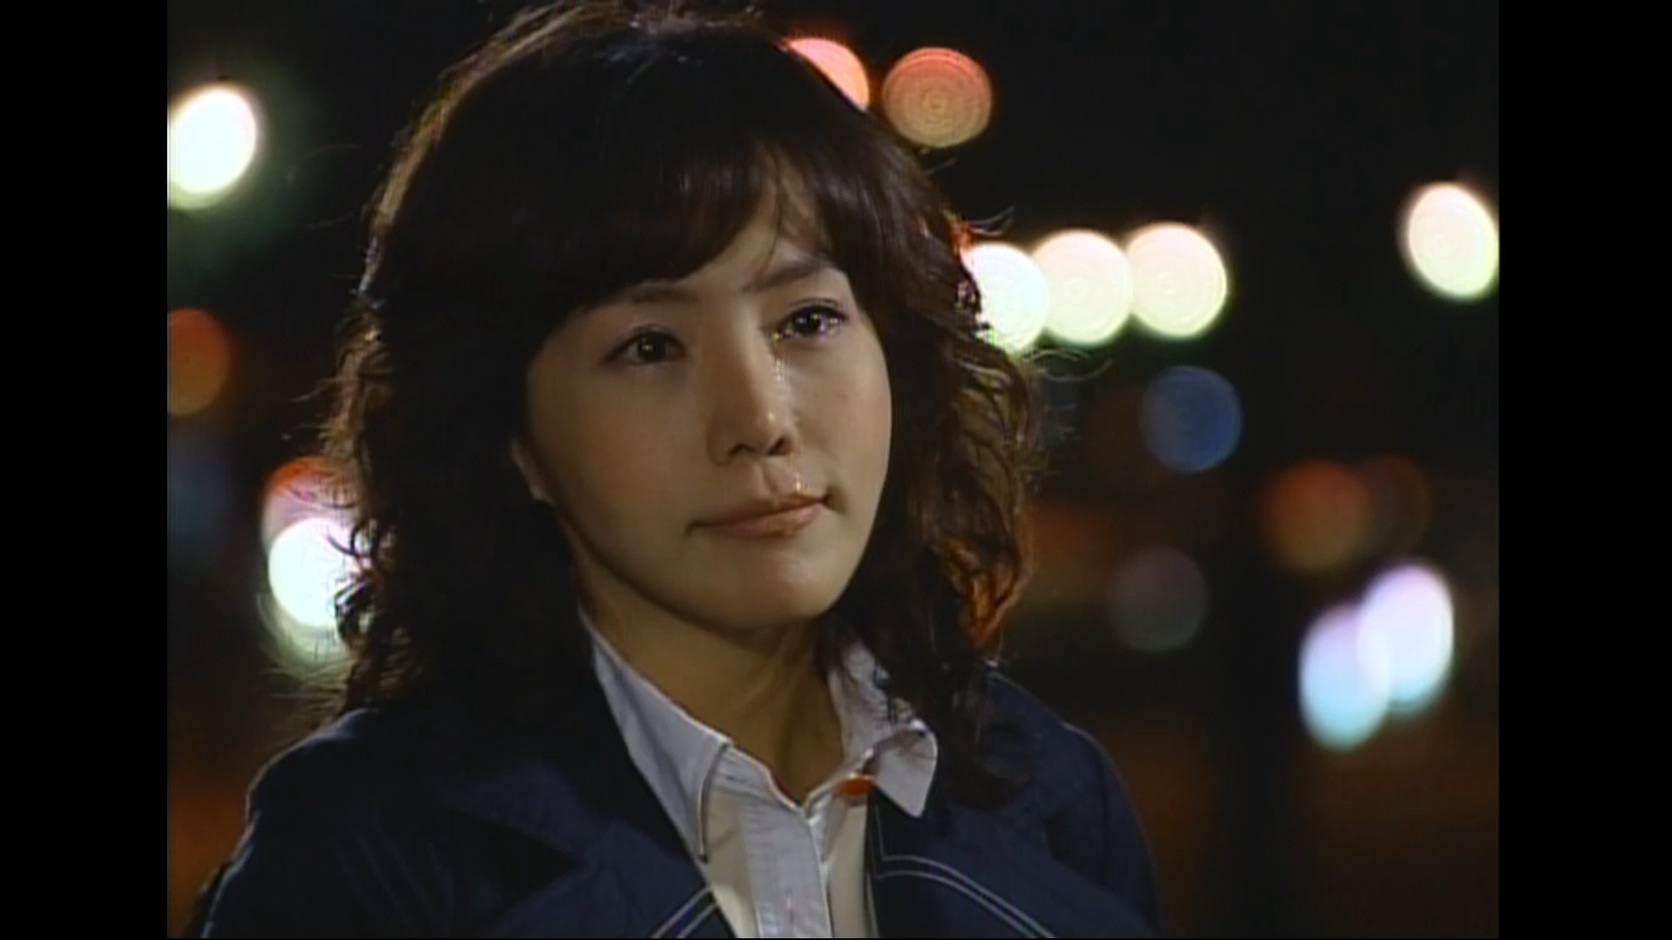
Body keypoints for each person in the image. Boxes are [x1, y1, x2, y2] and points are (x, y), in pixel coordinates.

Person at [186, 1, 1161, 936]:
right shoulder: (375, 855)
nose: (760, 421)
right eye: (650, 347)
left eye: (807, 320)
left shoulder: (1045, 797)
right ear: (508, 432)